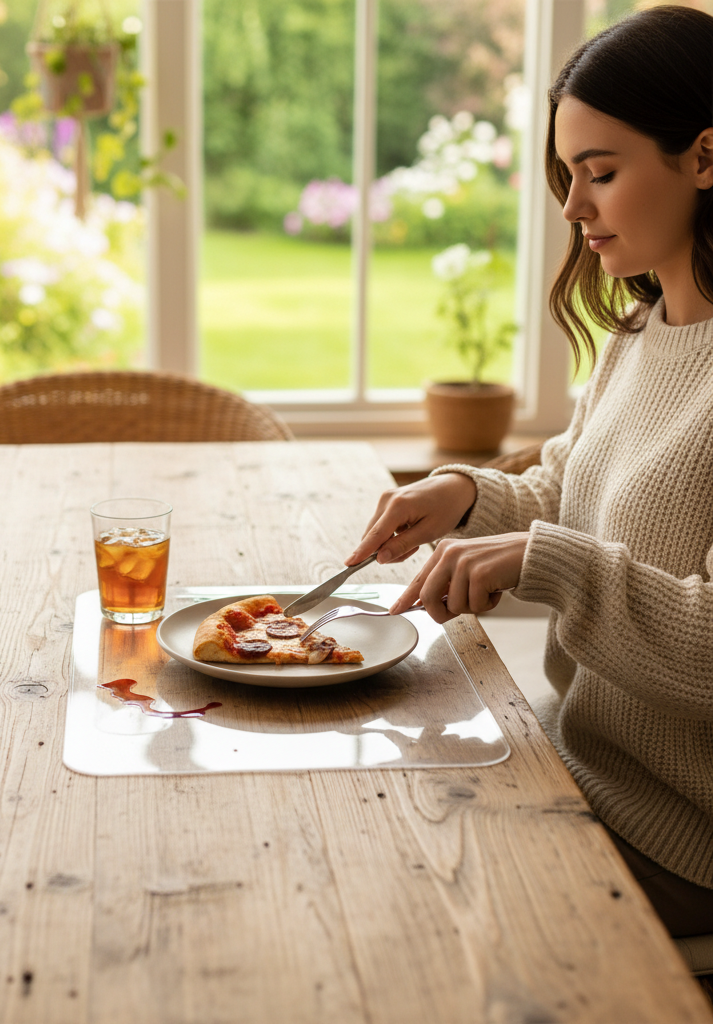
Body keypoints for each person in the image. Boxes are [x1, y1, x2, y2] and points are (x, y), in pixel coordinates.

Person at [347, 4, 713, 939]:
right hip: (570, 758)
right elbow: (568, 490)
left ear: (706, 158)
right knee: (354, 821)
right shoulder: (642, 331)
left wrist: (549, 565)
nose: (572, 207)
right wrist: (466, 495)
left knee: (397, 913)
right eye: (567, 174)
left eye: (601, 172)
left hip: (676, 836)